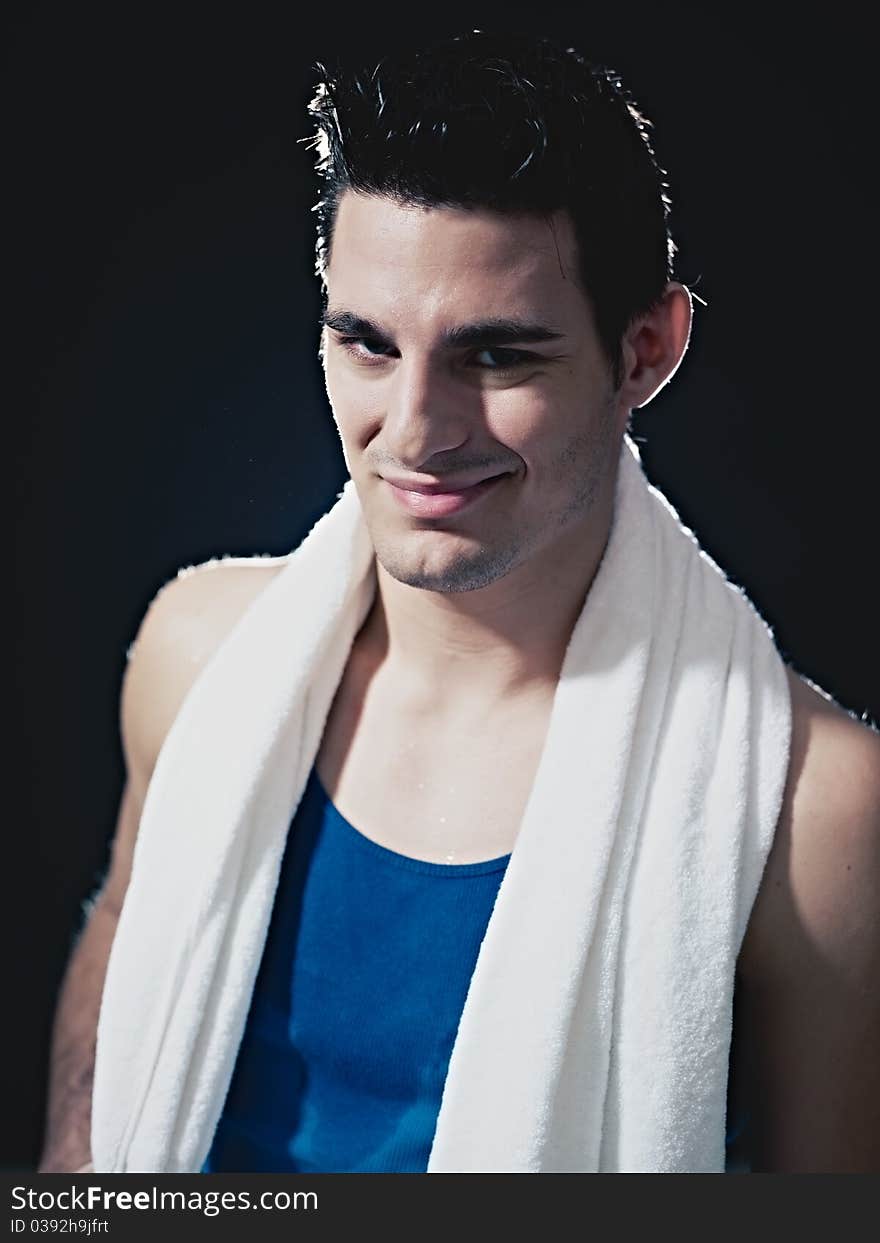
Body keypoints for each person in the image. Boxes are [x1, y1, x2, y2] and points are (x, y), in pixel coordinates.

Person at [39, 29, 879, 1175]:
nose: (418, 433)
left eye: (496, 358)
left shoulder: (814, 808)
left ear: (646, 349)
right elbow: (122, 950)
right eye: (368, 345)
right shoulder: (198, 653)